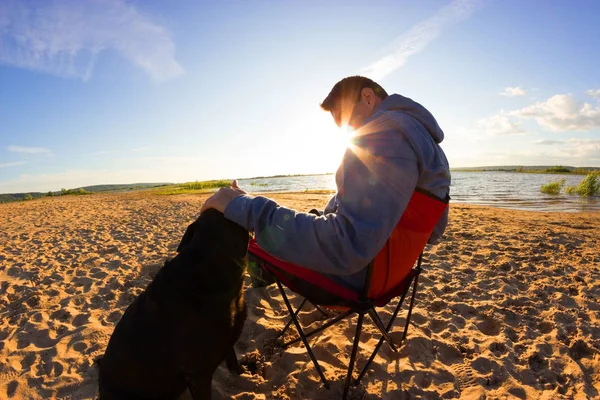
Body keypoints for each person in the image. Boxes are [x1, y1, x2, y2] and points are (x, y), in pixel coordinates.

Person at [200, 76, 450, 290]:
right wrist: (252, 203)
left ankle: (262, 273)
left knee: (248, 230)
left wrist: (246, 208)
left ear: (368, 98)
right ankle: (263, 268)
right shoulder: (429, 146)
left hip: (354, 278)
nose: (345, 129)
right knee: (257, 216)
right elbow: (434, 231)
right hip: (389, 274)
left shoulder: (381, 136)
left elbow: (345, 246)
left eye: (345, 118)